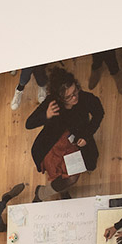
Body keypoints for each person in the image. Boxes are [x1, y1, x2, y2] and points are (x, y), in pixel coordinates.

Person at [26, 67, 104, 198]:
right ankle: (61, 190)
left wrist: (87, 134)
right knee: (61, 177)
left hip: (76, 142)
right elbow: (29, 123)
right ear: (60, 98)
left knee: (77, 174)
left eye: (75, 91)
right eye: (69, 97)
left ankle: (44, 192)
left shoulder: (85, 98)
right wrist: (46, 115)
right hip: (52, 144)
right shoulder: (52, 103)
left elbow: (99, 113)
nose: (75, 98)